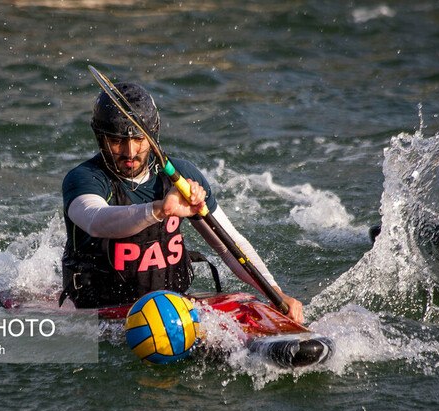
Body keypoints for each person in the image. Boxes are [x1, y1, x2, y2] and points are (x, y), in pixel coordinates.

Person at [60, 82, 305, 323]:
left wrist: (275, 293)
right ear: (100, 139)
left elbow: (230, 245)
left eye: (139, 139)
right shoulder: (84, 179)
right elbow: (95, 220)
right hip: (102, 311)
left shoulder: (181, 175)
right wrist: (160, 210)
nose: (130, 152)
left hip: (173, 306)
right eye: (116, 141)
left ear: (153, 135)